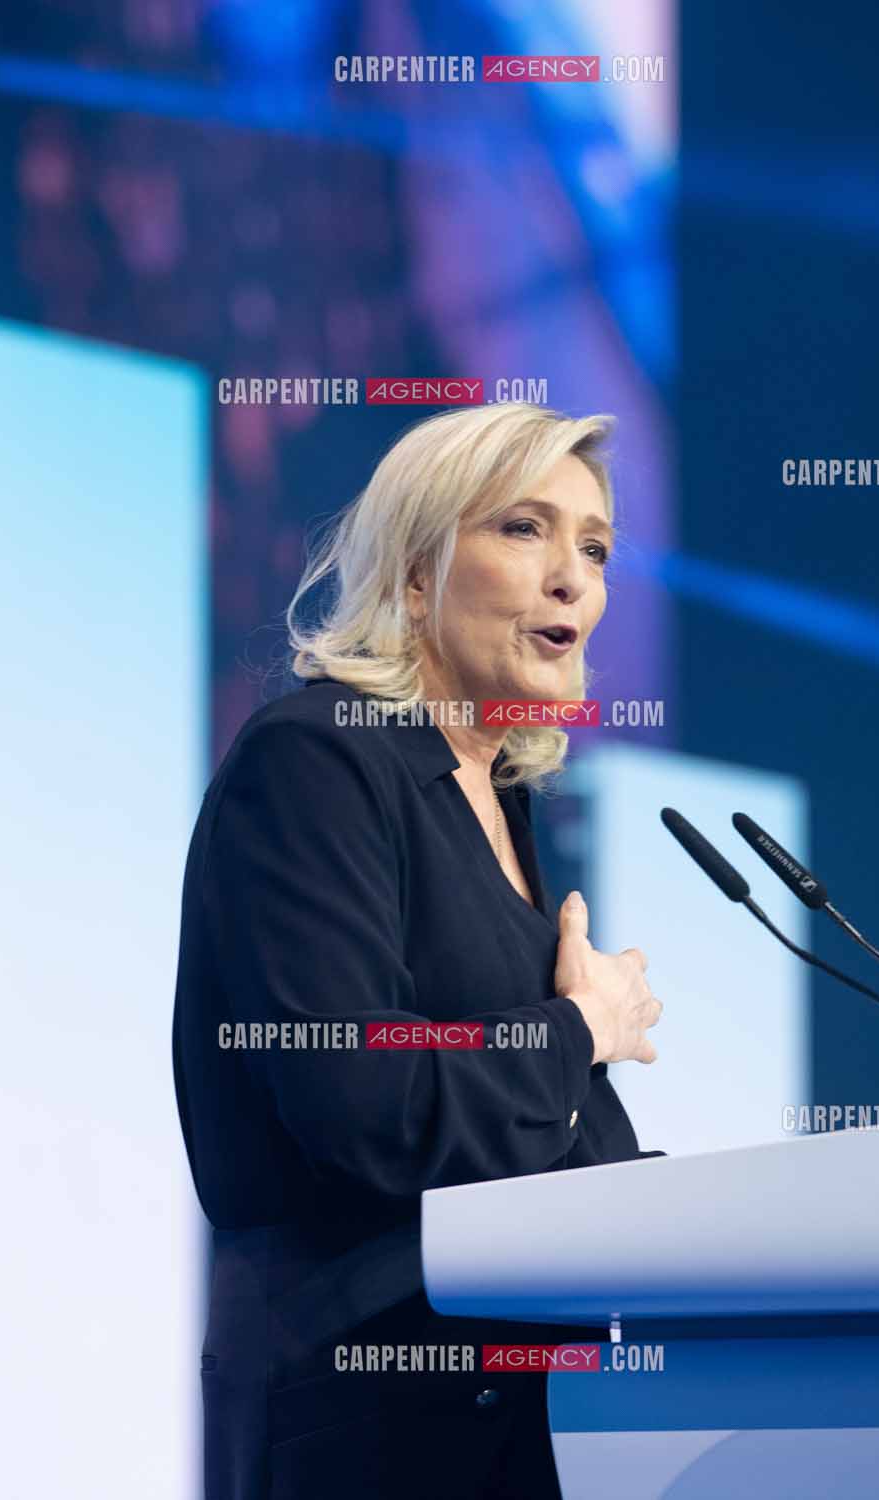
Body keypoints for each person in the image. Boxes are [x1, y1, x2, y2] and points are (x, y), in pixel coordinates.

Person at [172, 403, 664, 1499]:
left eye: (593, 547)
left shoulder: (504, 800)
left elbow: (522, 1138)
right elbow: (362, 1101)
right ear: (409, 579)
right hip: (372, 1419)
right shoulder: (316, 762)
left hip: (523, 1409)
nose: (571, 577)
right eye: (525, 529)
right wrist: (586, 1028)